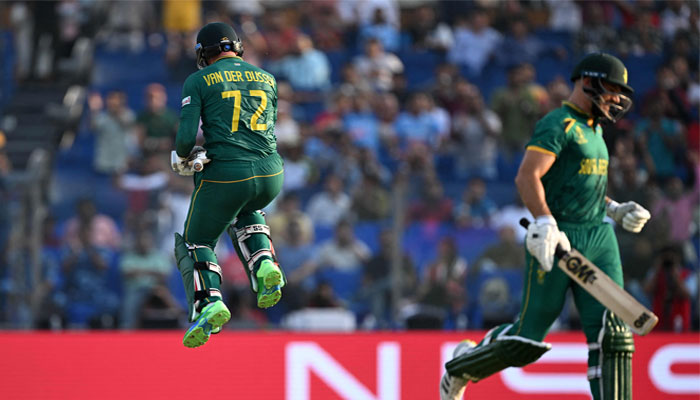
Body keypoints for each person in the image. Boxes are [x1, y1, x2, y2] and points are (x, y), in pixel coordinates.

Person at [440, 53, 652, 400]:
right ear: (589, 81)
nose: (617, 98)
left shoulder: (594, 129)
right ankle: (462, 365)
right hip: (558, 236)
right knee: (527, 339)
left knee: (613, 334)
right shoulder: (559, 123)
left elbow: (580, 185)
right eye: (612, 89)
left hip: (598, 236)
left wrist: (614, 208)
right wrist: (545, 220)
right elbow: (527, 176)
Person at [171, 22, 286, 348]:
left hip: (228, 174)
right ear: (238, 48)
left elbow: (184, 140)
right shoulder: (267, 77)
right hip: (270, 173)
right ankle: (264, 264)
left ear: (202, 54)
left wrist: (185, 157)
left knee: (195, 241)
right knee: (247, 209)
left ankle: (209, 302)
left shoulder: (198, 79)